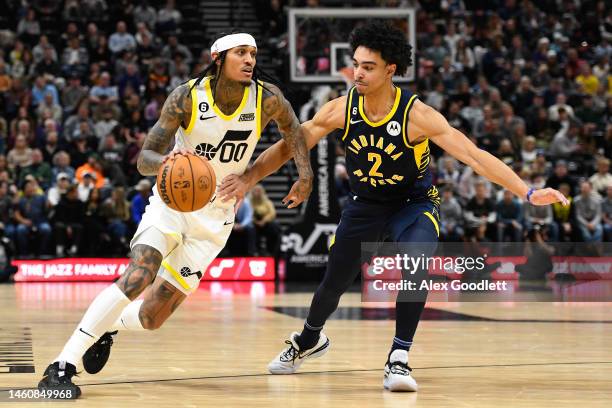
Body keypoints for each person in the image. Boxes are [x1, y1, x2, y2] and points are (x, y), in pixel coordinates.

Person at [219, 22, 568, 392]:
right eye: (356, 64)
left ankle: (398, 358)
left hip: (413, 205)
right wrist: (248, 178)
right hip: (365, 205)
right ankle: (308, 340)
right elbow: (292, 142)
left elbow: (475, 157)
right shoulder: (342, 109)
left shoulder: (417, 116)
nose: (358, 73)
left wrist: (528, 193)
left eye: (368, 66)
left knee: (416, 264)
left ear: (391, 69)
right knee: (333, 283)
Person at [38, 31, 313, 398]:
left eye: (253, 53)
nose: (250, 60)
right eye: (241, 53)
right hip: (171, 207)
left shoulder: (266, 98)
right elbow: (144, 158)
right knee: (138, 276)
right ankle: (62, 366)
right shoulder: (186, 96)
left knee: (152, 317)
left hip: (217, 217)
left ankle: (108, 325)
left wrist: (304, 175)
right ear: (218, 59)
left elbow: (293, 130)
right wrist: (168, 163)